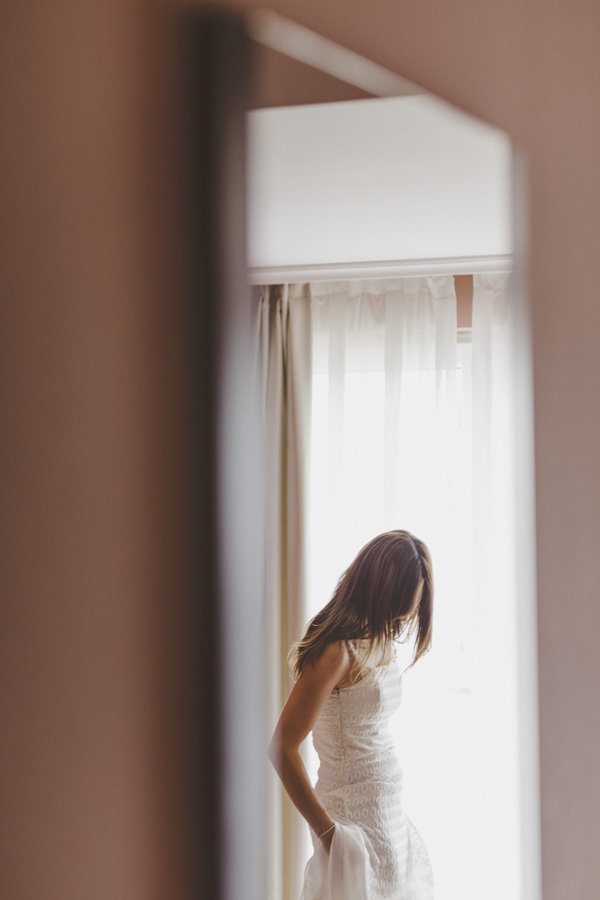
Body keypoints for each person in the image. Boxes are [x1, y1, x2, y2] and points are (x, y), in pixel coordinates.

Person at [268, 530, 435, 900]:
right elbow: (282, 746)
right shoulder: (337, 652)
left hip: (388, 816)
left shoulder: (380, 638)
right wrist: (328, 833)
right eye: (404, 604)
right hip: (350, 819)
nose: (407, 616)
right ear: (383, 591)